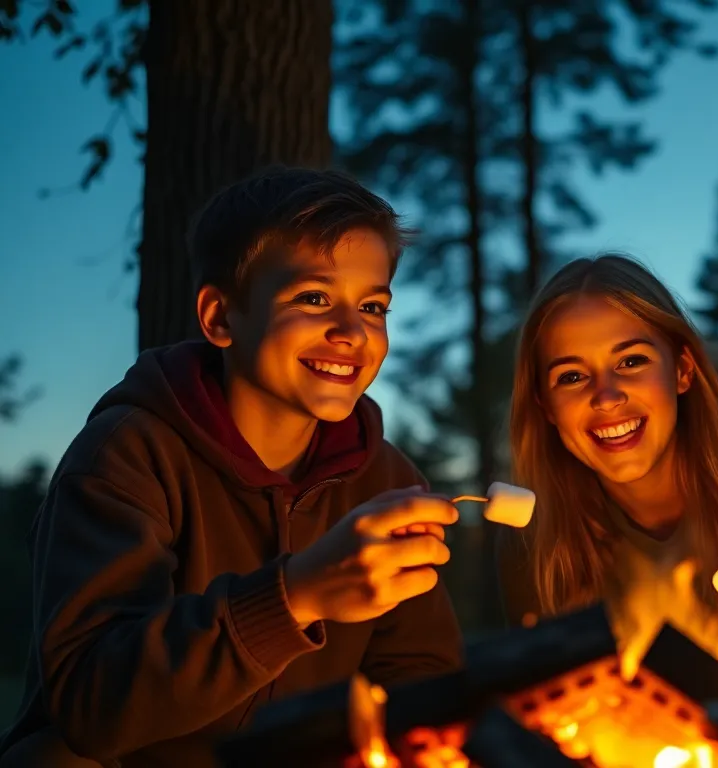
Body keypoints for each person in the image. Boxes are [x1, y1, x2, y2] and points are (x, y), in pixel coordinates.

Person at [0, 169, 466, 767]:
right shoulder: (128, 457)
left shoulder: (387, 482)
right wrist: (295, 596)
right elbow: (90, 704)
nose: (352, 331)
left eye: (373, 306)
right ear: (220, 317)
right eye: (313, 298)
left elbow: (422, 678)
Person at [496, 254, 718, 691]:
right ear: (545, 405)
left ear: (682, 370)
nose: (606, 397)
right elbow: (548, 697)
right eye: (571, 376)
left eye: (630, 362)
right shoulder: (531, 533)